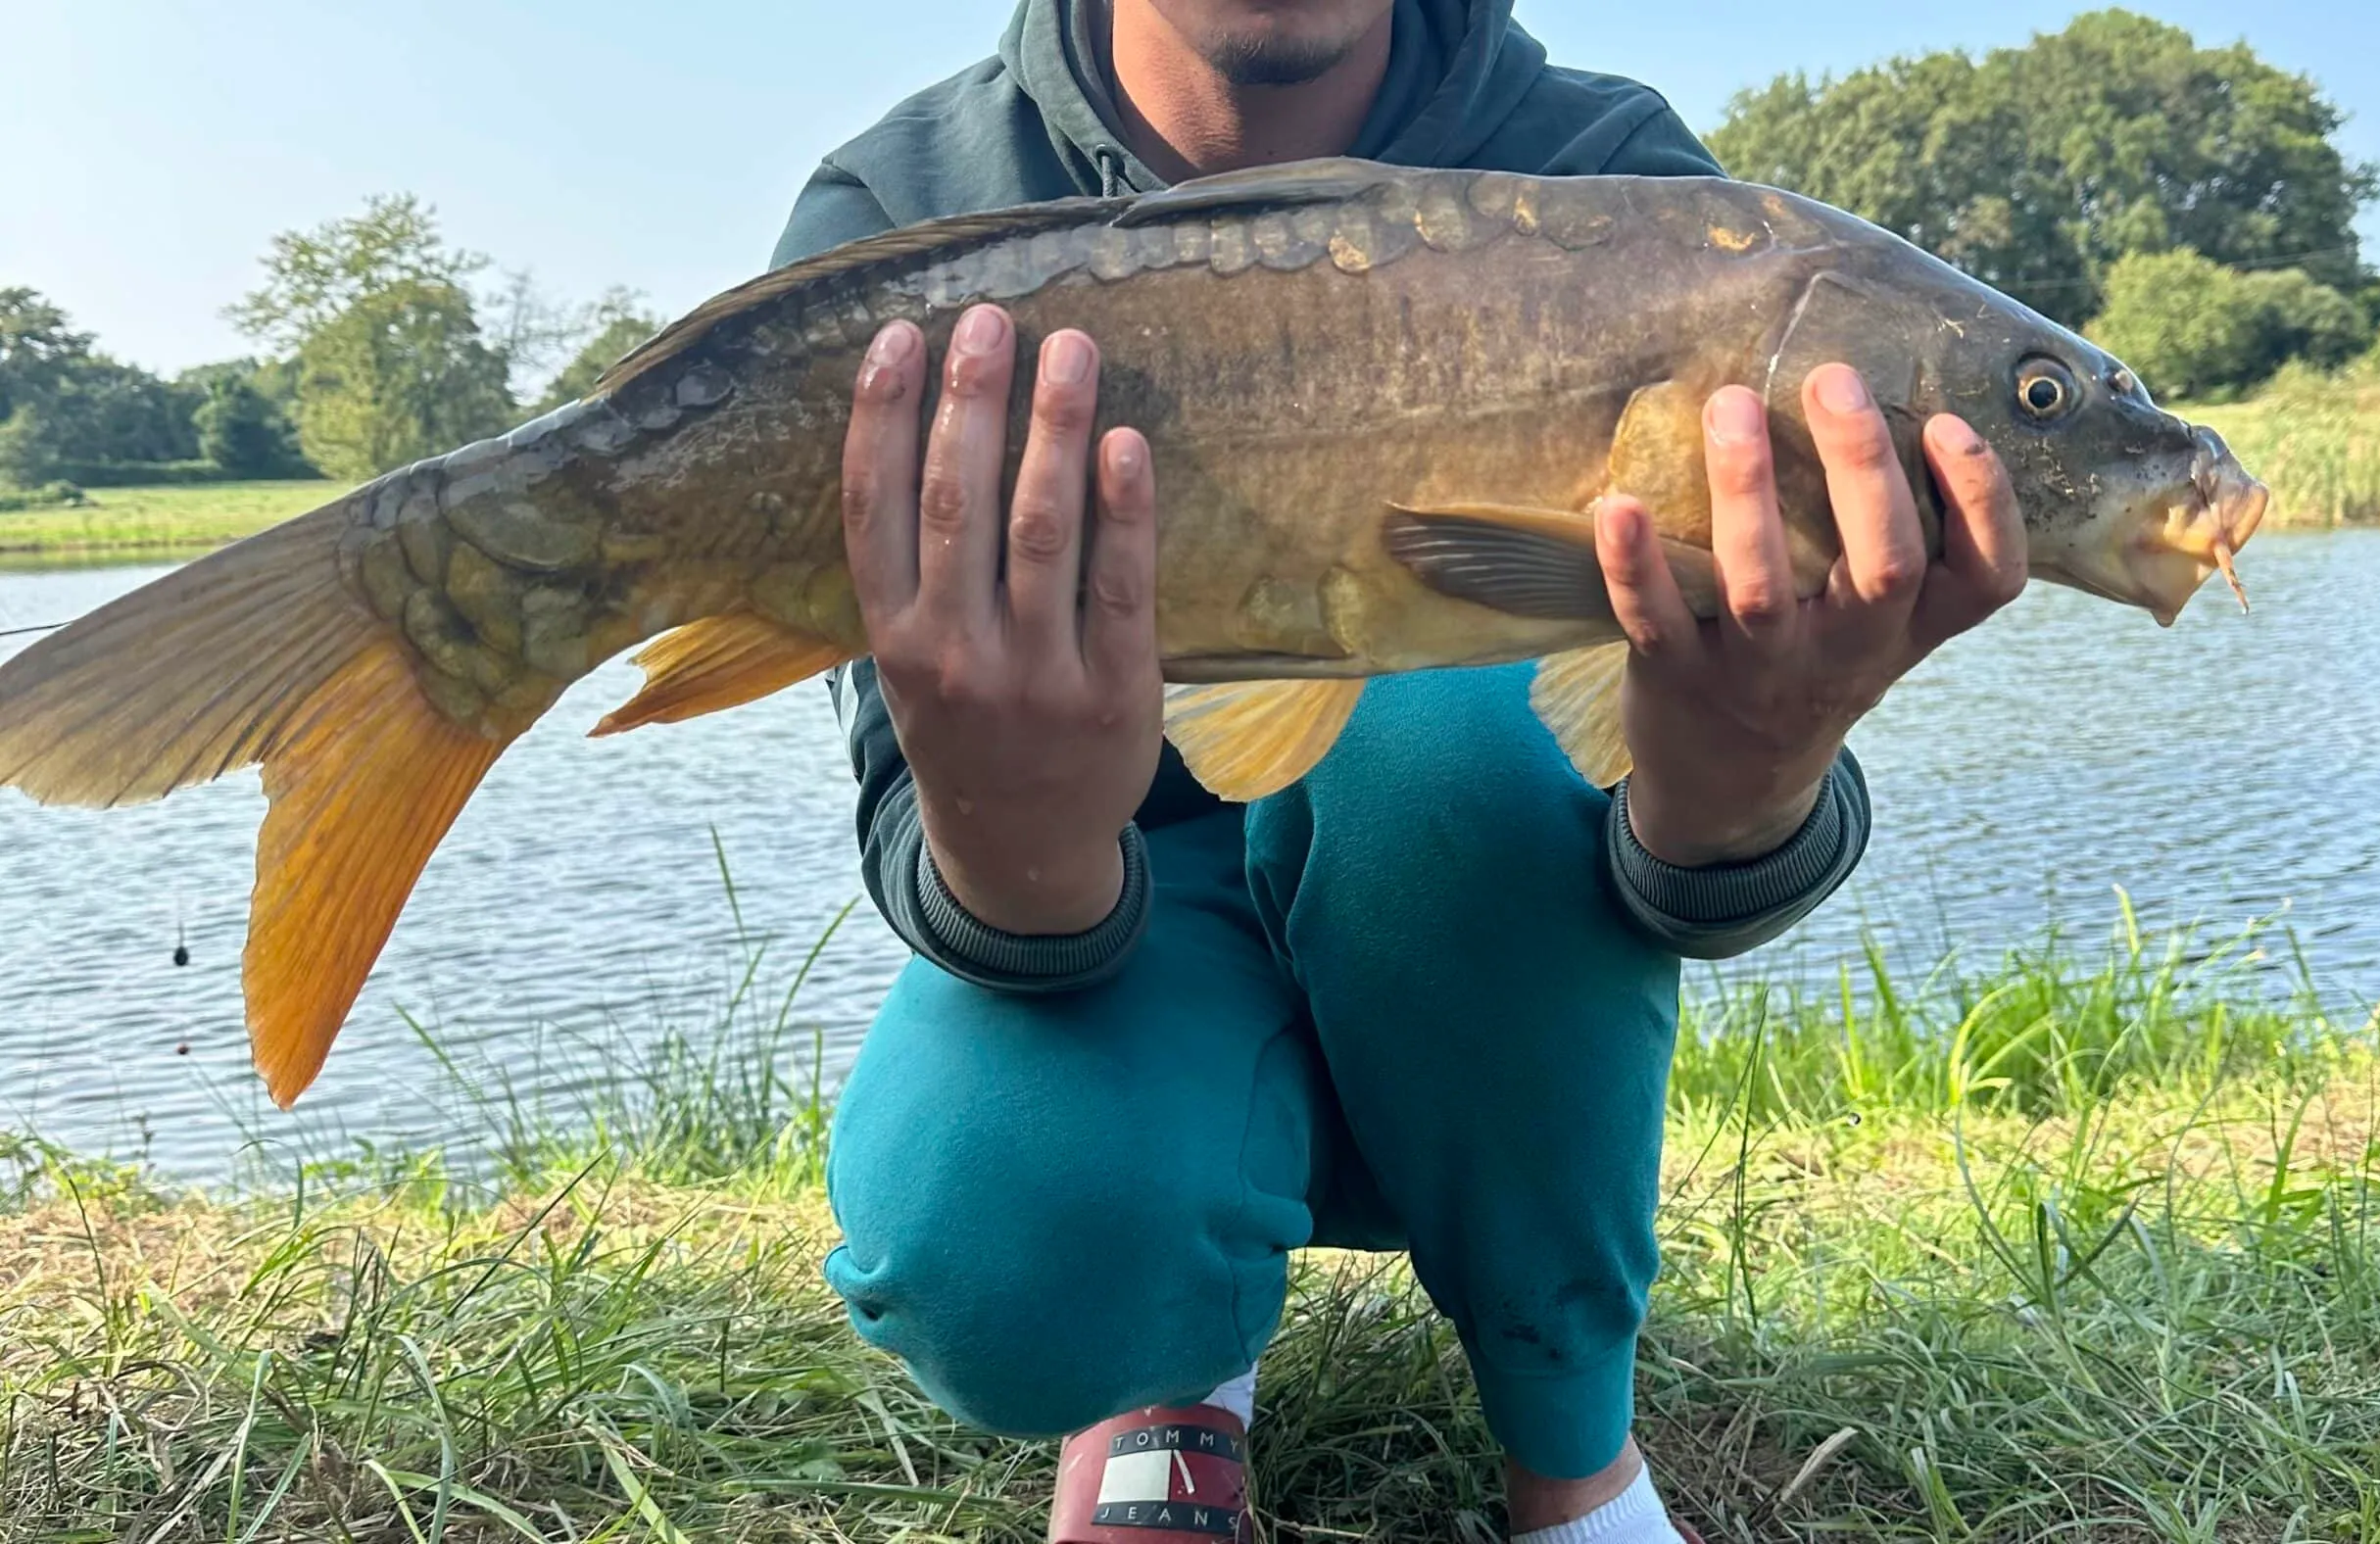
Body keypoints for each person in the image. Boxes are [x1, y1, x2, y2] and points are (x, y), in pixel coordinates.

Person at [774, 0, 2028, 1538]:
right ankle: (1169, 1359)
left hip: (1475, 939)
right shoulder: (904, 213)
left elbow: (1685, 848)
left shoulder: (1630, 193)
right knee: (992, 1236)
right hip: (1110, 933)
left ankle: (1571, 1444)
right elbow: (914, 817)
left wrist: (1747, 780)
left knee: (1446, 738)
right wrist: (1011, 827)